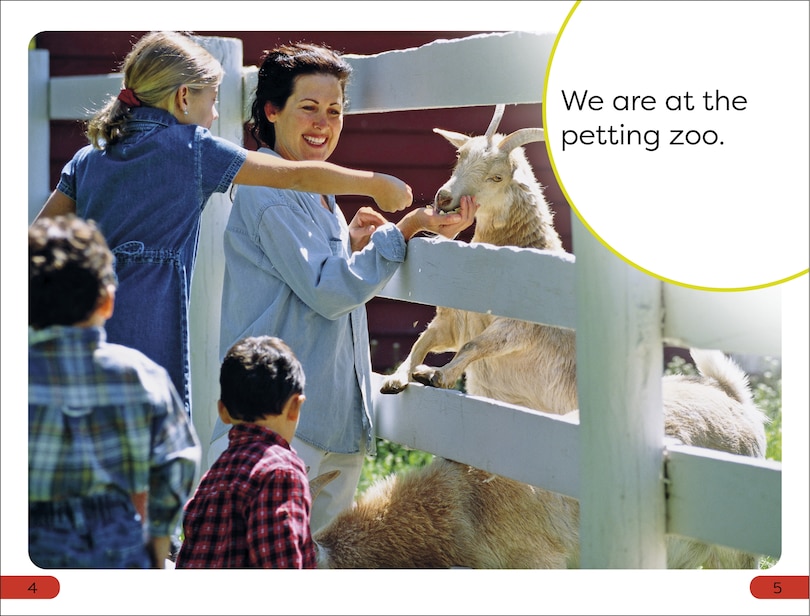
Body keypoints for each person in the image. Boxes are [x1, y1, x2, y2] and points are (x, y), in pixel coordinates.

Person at [32, 31, 413, 419]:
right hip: (149, 326)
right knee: (150, 437)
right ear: (184, 97)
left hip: (80, 324)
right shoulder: (191, 147)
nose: (215, 114)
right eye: (212, 100)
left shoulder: (88, 156)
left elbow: (38, 239)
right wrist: (372, 183)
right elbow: (293, 176)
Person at [209, 42, 478, 534]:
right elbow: (329, 292)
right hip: (282, 424)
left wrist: (351, 245)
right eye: (308, 108)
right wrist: (408, 227)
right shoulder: (269, 191)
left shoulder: (317, 195)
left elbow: (312, 279)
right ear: (272, 110)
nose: (323, 123)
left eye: (334, 110)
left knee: (319, 566)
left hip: (329, 419)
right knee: (261, 565)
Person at [28, 214, 201, 569]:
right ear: (108, 301)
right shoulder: (142, 375)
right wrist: (156, 543)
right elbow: (179, 460)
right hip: (118, 542)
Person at [175, 336, 315, 568]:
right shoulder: (281, 473)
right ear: (295, 407)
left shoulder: (213, 477)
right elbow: (282, 562)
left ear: (223, 411)